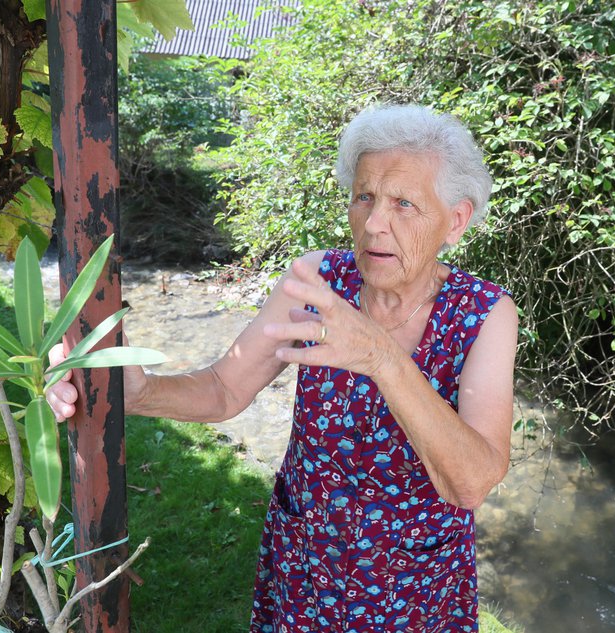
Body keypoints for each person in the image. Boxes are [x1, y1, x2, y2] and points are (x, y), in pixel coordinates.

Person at [47, 103, 518, 632]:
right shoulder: (317, 281)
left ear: (455, 220)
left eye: (403, 204)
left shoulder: (485, 315)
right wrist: (139, 392)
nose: (374, 223)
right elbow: (225, 389)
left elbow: (471, 483)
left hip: (415, 586)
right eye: (363, 196)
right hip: (306, 572)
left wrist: (382, 358)